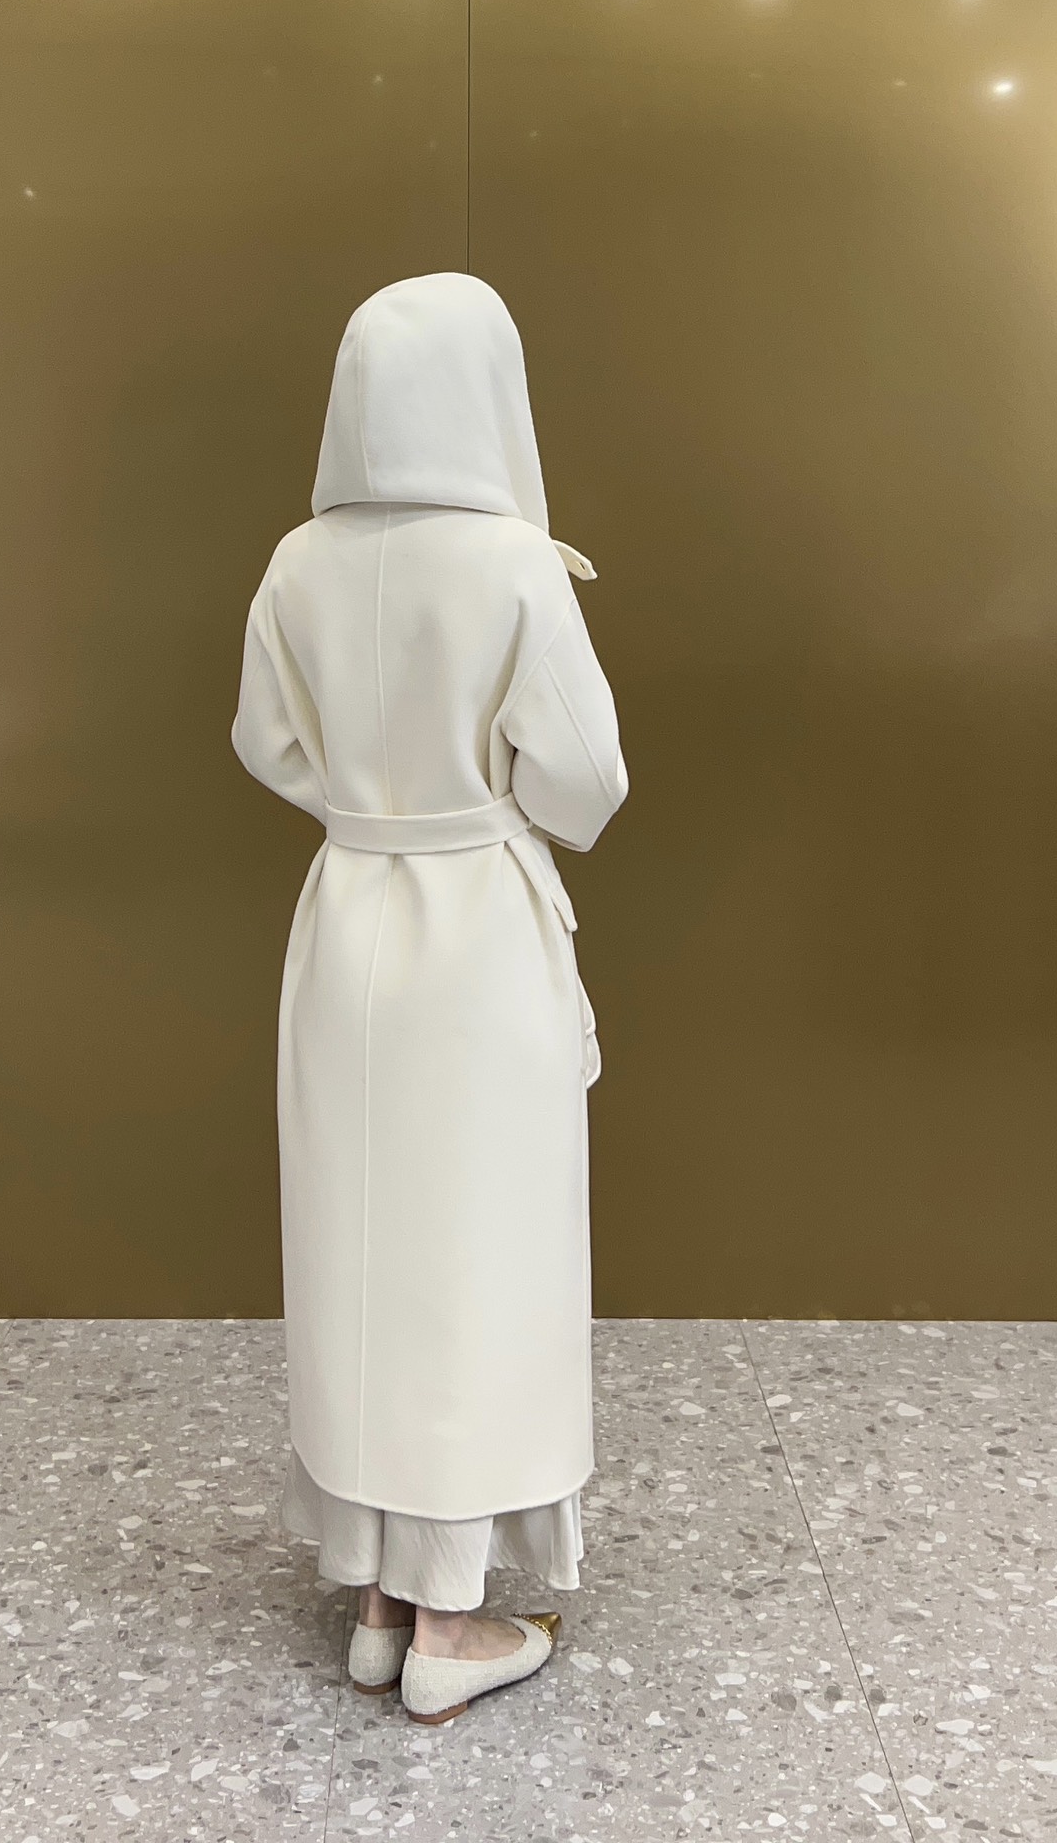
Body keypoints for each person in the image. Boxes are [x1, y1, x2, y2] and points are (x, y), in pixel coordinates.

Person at [231, 271, 628, 1725]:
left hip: (347, 919)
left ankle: (378, 1600)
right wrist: (488, 805)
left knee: (363, 1248)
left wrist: (365, 804)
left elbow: (264, 741)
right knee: (478, 1253)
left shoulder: (296, 565)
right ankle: (455, 1623)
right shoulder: (515, 565)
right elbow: (588, 781)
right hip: (477, 937)